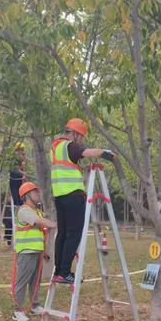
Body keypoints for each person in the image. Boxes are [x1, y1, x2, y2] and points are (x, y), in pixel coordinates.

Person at [50, 118, 115, 284]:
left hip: (59, 196)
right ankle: (65, 272)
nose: (81, 141)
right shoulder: (71, 145)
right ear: (76, 134)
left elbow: (69, 167)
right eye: (81, 137)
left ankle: (59, 271)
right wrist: (105, 153)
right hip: (73, 196)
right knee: (74, 234)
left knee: (63, 235)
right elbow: (87, 152)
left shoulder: (56, 146)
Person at [12, 182, 56, 321]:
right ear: (26, 195)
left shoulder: (37, 211)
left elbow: (42, 229)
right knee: (22, 281)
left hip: (37, 251)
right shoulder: (24, 211)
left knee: (35, 281)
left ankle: (35, 306)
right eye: (34, 192)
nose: (38, 194)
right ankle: (17, 311)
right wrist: (54, 224)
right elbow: (39, 222)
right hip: (26, 252)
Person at [10, 142, 27, 206]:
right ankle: (19, 203)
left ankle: (18, 203)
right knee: (17, 190)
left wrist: (23, 173)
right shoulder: (22, 157)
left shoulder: (16, 156)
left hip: (16, 176)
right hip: (19, 175)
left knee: (16, 190)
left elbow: (15, 168)